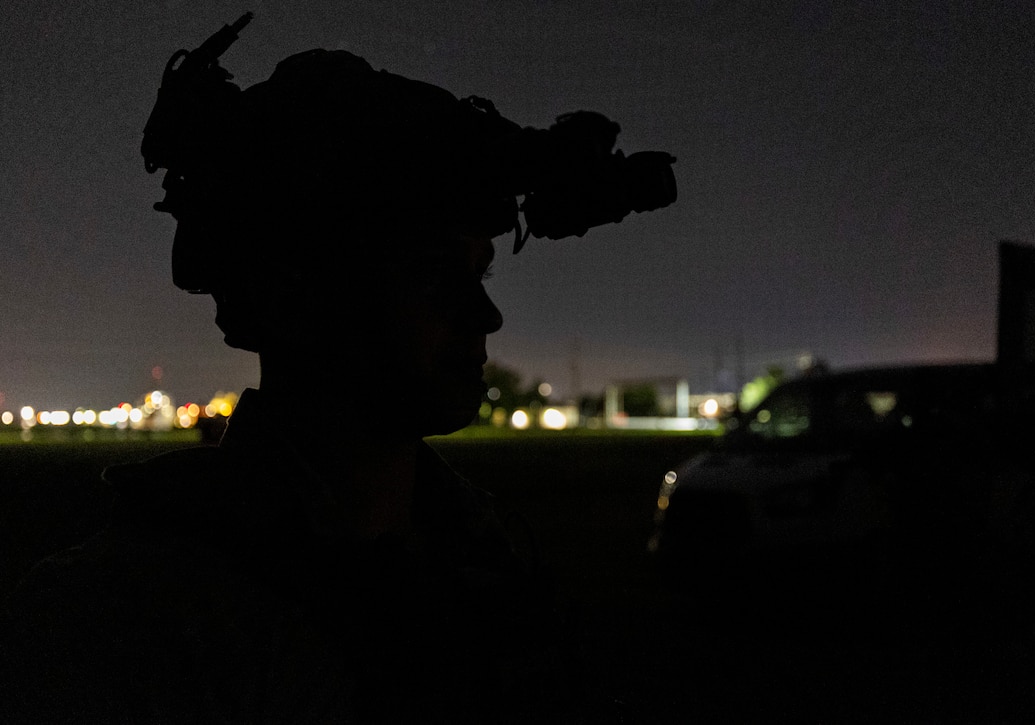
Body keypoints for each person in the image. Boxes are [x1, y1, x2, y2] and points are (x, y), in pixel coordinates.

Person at [1, 15, 675, 724]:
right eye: (433, 274)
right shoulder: (123, 630)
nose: (486, 317)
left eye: (480, 272)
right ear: (294, 294)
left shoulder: (473, 548)